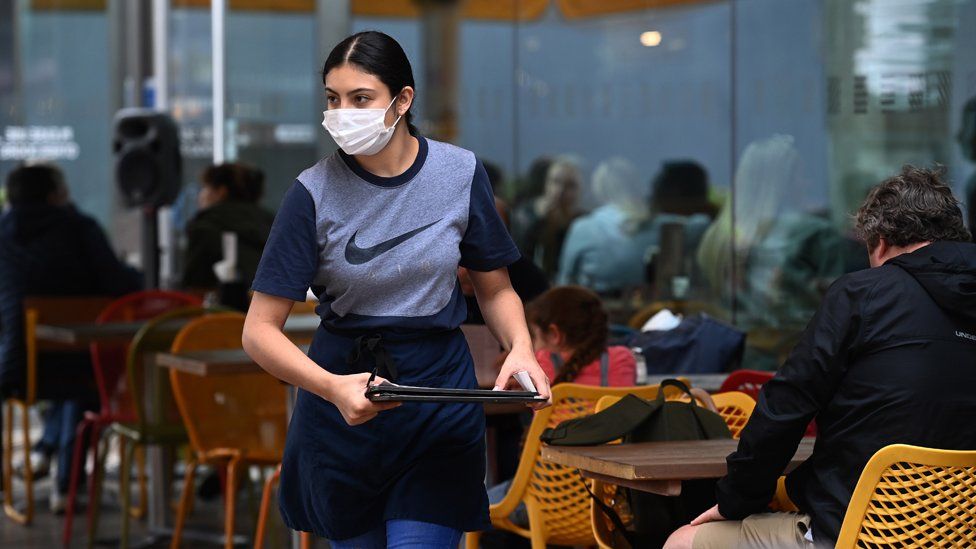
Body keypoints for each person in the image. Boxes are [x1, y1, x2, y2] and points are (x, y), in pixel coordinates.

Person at [241, 31, 551, 548]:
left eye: (360, 98)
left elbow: (495, 289)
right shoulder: (310, 193)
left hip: (437, 399)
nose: (343, 113)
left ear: (402, 100)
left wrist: (520, 348)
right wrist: (330, 387)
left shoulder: (459, 172)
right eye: (333, 99)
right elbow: (258, 331)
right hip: (344, 400)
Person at [665, 165, 976, 549]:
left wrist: (734, 501)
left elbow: (785, 407)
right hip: (961, 533)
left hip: (862, 532)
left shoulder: (863, 293)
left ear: (879, 243)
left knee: (683, 540)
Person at [0, 164, 142, 512]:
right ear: (54, 195)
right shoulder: (79, 228)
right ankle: (68, 485)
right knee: (83, 376)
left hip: (18, 365)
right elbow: (119, 283)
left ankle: (46, 452)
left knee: (65, 376)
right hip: (81, 364)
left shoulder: (3, 234)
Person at [557, 157, 657, 295]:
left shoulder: (583, 228)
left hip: (592, 310)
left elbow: (565, 283)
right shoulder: (657, 227)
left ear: (598, 189)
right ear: (636, 187)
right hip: (645, 311)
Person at [181, 162, 274, 289]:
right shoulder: (273, 224)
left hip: (223, 308)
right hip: (276, 305)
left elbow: (194, 286)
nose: (200, 195)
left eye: (205, 188)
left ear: (221, 191)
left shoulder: (206, 226)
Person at [526, 286, 636, 386]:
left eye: (534, 337)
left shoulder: (542, 361)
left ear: (555, 334)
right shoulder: (623, 359)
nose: (533, 345)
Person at [510, 157, 584, 280]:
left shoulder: (583, 222)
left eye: (570, 185)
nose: (560, 190)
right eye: (556, 182)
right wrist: (538, 221)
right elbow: (519, 258)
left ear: (580, 191)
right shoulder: (526, 216)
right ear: (546, 184)